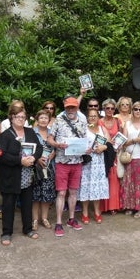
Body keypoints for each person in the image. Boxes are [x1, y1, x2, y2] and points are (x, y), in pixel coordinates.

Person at [0, 107, 42, 245]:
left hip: (27, 176)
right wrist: (20, 161)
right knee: (8, 205)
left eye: (23, 117)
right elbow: (1, 155)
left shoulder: (30, 132)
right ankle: (6, 233)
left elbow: (39, 148)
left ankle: (27, 229)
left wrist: (33, 158)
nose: (21, 119)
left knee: (27, 204)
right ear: (11, 118)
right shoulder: (5, 135)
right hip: (10, 176)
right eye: (18, 117)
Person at [46, 96, 89, 237]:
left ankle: (71, 219)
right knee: (61, 193)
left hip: (77, 162)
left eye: (73, 107)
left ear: (77, 107)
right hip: (62, 162)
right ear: (65, 107)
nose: (71, 109)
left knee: (73, 192)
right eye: (68, 107)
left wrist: (87, 148)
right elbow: (49, 138)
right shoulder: (58, 120)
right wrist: (57, 145)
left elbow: (85, 139)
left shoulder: (82, 120)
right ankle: (58, 223)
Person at [120, 101, 140, 218]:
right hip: (130, 157)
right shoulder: (127, 124)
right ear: (132, 110)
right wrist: (135, 140)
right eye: (135, 109)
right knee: (129, 182)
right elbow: (123, 143)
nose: (138, 111)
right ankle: (129, 205)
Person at [78, 109, 110, 224]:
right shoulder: (83, 129)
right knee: (85, 187)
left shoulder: (102, 129)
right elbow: (79, 144)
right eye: (90, 116)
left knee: (97, 187)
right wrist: (84, 150)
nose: (92, 118)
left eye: (95, 116)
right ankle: (85, 212)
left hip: (99, 162)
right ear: (87, 117)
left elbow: (109, 143)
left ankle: (97, 211)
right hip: (87, 162)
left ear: (98, 117)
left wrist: (103, 147)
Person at [32, 110, 56, 231]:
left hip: (49, 167)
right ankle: (35, 220)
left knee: (46, 194)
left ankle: (45, 218)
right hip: (36, 167)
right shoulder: (31, 132)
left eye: (46, 118)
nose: (43, 120)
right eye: (41, 118)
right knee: (35, 195)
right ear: (37, 119)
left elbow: (57, 147)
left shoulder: (52, 133)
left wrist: (54, 153)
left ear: (49, 120)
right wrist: (36, 159)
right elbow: (27, 149)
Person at [99, 98, 122, 215]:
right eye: (107, 108)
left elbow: (122, 136)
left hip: (115, 153)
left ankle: (113, 206)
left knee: (113, 180)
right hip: (102, 154)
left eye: (112, 108)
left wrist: (119, 144)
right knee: (104, 179)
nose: (110, 110)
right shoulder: (98, 122)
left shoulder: (118, 121)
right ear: (103, 109)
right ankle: (103, 206)